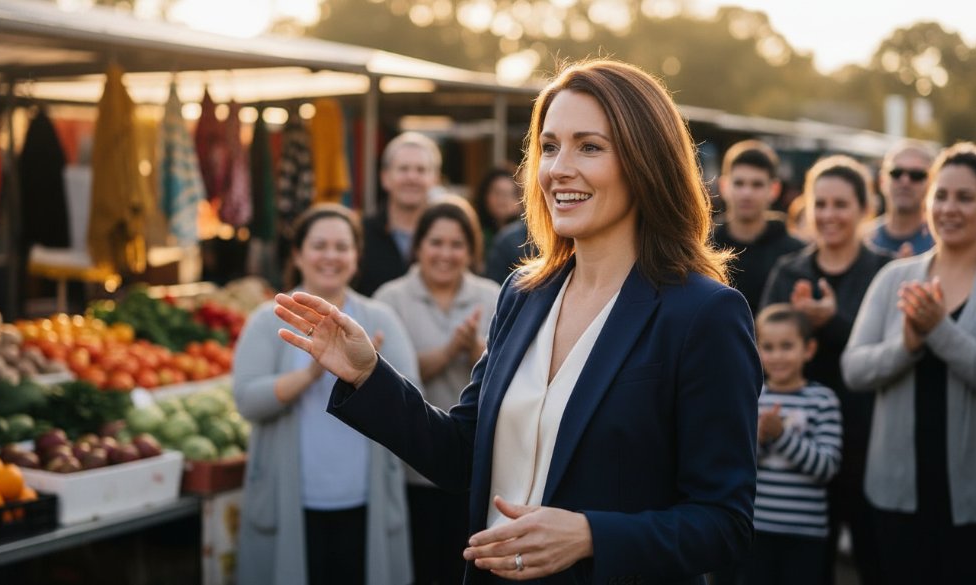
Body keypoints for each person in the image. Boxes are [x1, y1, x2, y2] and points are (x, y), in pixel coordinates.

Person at [274, 59, 761, 584]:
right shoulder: (525, 294)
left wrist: (590, 535)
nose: (558, 168)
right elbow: (462, 455)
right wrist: (367, 374)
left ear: (647, 162)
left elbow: (724, 523)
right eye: (549, 147)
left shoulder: (703, 314)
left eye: (589, 146)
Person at [232, 204, 416, 585]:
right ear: (297, 254)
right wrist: (311, 373)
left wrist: (369, 376)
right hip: (290, 501)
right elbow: (247, 401)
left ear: (356, 256)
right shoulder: (269, 320)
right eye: (319, 246)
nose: (330, 256)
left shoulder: (379, 319)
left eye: (341, 246)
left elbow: (412, 409)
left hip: (367, 498)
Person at [841, 142, 976, 585]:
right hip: (895, 495)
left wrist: (939, 329)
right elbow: (855, 369)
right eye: (941, 195)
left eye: (965, 198)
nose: (949, 208)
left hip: (969, 503)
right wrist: (908, 345)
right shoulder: (894, 278)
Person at [760, 155, 891, 585]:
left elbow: (891, 351)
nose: (829, 215)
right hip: (798, 442)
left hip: (867, 435)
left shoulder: (884, 271)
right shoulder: (790, 270)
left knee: (874, 557)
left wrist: (831, 323)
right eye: (821, 204)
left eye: (840, 204)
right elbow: (767, 344)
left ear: (864, 207)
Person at [374, 196, 501, 585]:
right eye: (436, 242)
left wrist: (476, 351)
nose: (446, 253)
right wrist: (449, 351)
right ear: (418, 246)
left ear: (472, 249)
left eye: (457, 244)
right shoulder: (389, 299)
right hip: (414, 466)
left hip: (481, 468)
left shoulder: (495, 295)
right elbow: (391, 377)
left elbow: (515, 372)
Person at [747, 304, 842, 585]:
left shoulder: (823, 400)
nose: (777, 356)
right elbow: (742, 463)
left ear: (808, 349)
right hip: (758, 528)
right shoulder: (753, 397)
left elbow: (826, 467)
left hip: (805, 533)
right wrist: (761, 439)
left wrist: (782, 436)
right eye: (769, 347)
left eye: (787, 346)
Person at [711, 140, 805, 314]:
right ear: (724, 186)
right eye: (739, 183)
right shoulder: (703, 247)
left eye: (757, 184)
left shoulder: (797, 254)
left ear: (774, 189)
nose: (747, 193)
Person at [356, 132, 443, 296]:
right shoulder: (360, 234)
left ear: (435, 179)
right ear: (385, 178)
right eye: (403, 169)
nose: (411, 177)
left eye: (421, 170)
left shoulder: (449, 238)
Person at [865, 141, 936, 258]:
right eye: (896, 173)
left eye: (916, 175)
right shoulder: (864, 240)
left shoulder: (940, 243)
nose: (905, 181)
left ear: (931, 183)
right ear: (882, 181)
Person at [474, 166, 522, 248]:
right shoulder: (476, 234)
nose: (503, 199)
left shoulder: (525, 237)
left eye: (509, 194)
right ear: (484, 196)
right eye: (497, 193)